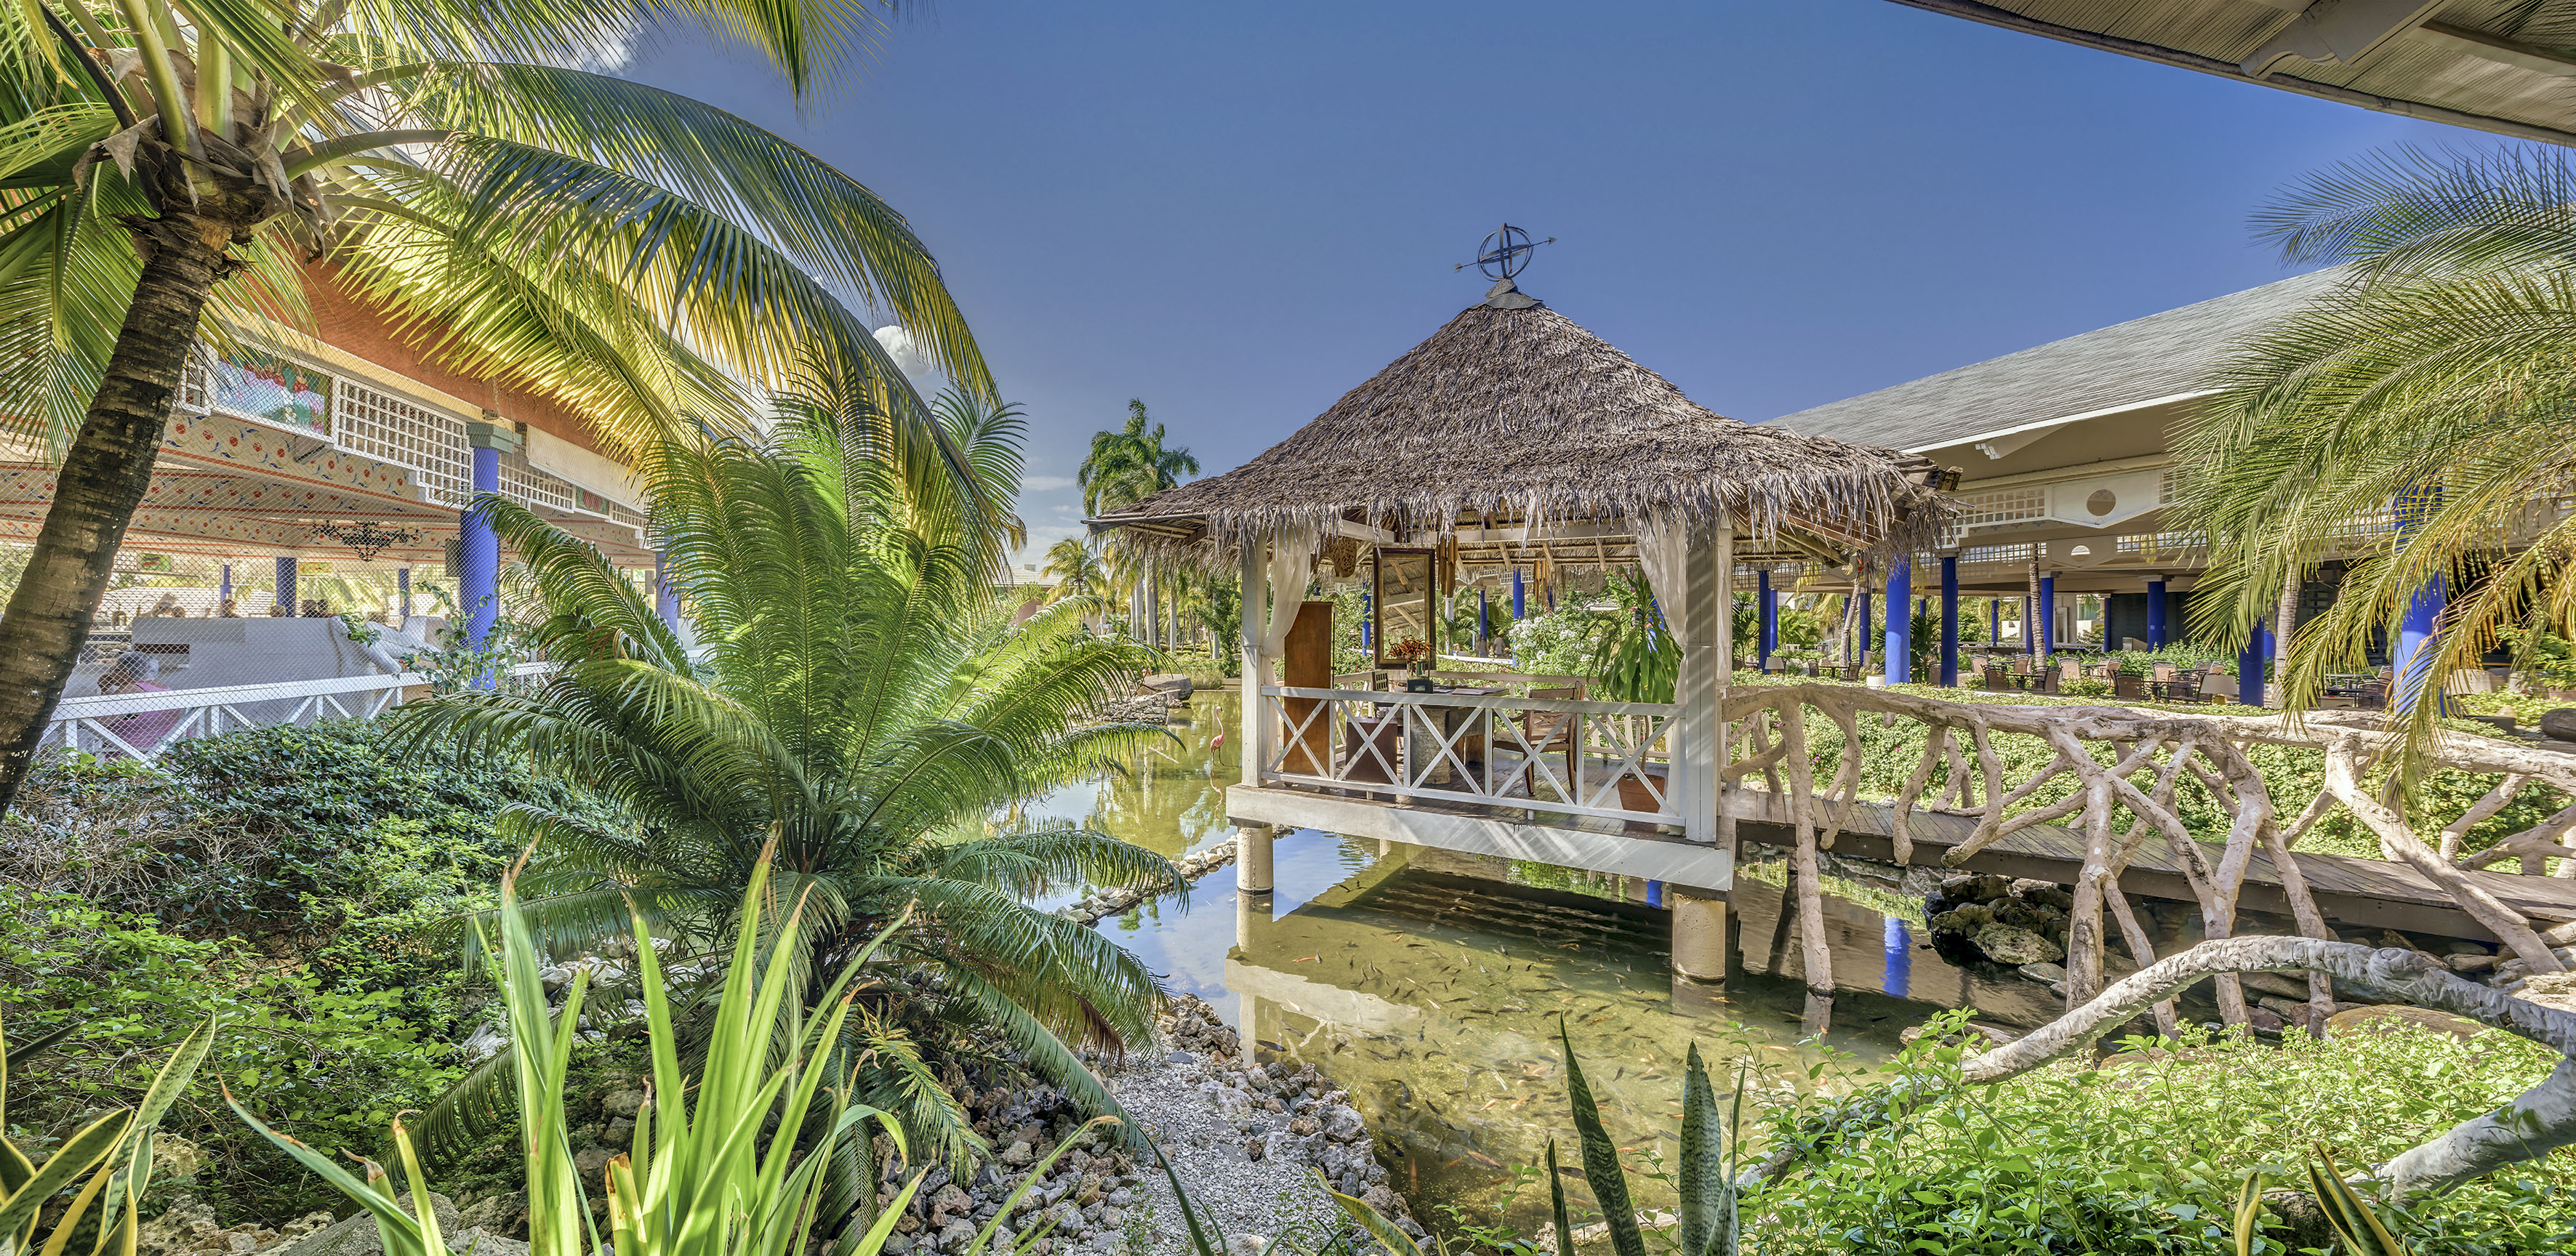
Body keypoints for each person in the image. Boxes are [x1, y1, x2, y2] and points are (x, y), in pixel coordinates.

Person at [97, 653, 181, 754]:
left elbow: (100, 720)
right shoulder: (163, 688)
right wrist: (106, 688)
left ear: (125, 673)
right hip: (161, 753)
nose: (111, 674)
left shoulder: (131, 689)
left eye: (114, 670)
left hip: (126, 755)